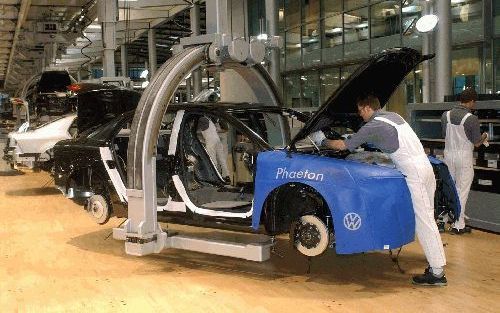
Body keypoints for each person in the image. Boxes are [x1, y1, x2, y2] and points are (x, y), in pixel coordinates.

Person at [312, 95, 447, 286]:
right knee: (428, 217)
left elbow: (343, 146)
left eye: (360, 111)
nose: (360, 115)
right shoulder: (393, 117)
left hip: (413, 172)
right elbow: (385, 140)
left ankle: (437, 272)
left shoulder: (373, 126)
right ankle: (436, 264)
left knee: (424, 221)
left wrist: (323, 140)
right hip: (425, 167)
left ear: (367, 108)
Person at [441, 88, 488, 235]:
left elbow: (444, 135)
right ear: (472, 101)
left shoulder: (445, 115)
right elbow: (477, 143)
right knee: (462, 191)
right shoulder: (471, 118)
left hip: (448, 157)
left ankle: (444, 220)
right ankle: (458, 225)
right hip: (464, 158)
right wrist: (485, 136)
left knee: (450, 189)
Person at [198, 116, 231, 184]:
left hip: (211, 141)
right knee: (222, 159)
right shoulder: (209, 120)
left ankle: (215, 177)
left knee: (212, 160)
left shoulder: (201, 119)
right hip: (217, 140)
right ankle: (227, 176)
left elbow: (196, 130)